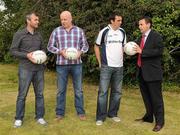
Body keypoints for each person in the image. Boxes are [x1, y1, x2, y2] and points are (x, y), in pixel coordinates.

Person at [47, 11, 89, 120]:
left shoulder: (79, 31)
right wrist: (60, 51)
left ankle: (80, 112)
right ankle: (60, 113)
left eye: (65, 19)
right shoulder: (56, 31)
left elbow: (85, 46)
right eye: (61, 19)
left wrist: (80, 52)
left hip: (76, 65)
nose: (63, 21)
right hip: (62, 64)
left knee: (78, 90)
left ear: (71, 19)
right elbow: (50, 47)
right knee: (61, 90)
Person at [10, 12, 47, 128]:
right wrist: (27, 56)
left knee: (40, 94)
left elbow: (43, 50)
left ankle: (40, 117)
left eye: (37, 20)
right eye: (35, 20)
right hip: (25, 69)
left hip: (39, 69)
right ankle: (19, 118)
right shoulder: (19, 34)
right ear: (28, 21)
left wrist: (42, 57)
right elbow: (13, 51)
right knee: (22, 95)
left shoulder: (39, 35)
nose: (37, 22)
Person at [94, 13, 126, 126]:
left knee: (117, 92)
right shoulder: (104, 32)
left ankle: (112, 114)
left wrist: (122, 59)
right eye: (118, 20)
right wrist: (99, 62)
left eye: (121, 20)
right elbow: (96, 46)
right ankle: (100, 117)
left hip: (119, 67)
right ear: (112, 21)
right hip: (106, 66)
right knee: (103, 92)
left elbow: (124, 47)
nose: (120, 22)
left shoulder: (122, 32)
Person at [134, 16, 165, 132]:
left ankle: (160, 122)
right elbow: (136, 49)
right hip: (141, 72)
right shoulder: (140, 38)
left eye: (141, 24)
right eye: (139, 25)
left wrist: (143, 52)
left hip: (153, 74)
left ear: (148, 25)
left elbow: (159, 51)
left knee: (156, 99)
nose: (139, 27)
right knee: (146, 97)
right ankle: (148, 117)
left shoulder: (156, 36)